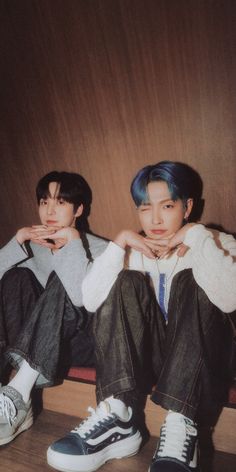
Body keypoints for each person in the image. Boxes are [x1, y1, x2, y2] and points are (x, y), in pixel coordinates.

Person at [47, 161, 236, 472]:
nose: (156, 219)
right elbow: (91, 301)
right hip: (153, 362)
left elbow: (229, 300)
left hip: (203, 364)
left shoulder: (216, 243)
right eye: (145, 208)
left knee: (194, 279)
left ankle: (180, 424)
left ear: (187, 207)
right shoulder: (133, 252)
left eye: (168, 205)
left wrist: (198, 239)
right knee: (124, 280)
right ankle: (118, 416)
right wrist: (118, 245)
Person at [0, 170, 108, 446]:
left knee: (61, 277)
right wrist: (18, 240)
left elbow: (82, 300)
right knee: (15, 277)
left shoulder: (99, 248)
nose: (49, 210)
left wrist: (71, 244)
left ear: (78, 209)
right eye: (44, 201)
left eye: (60, 202)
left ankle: (17, 395)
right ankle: (8, 393)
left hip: (81, 343)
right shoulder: (31, 247)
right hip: (32, 346)